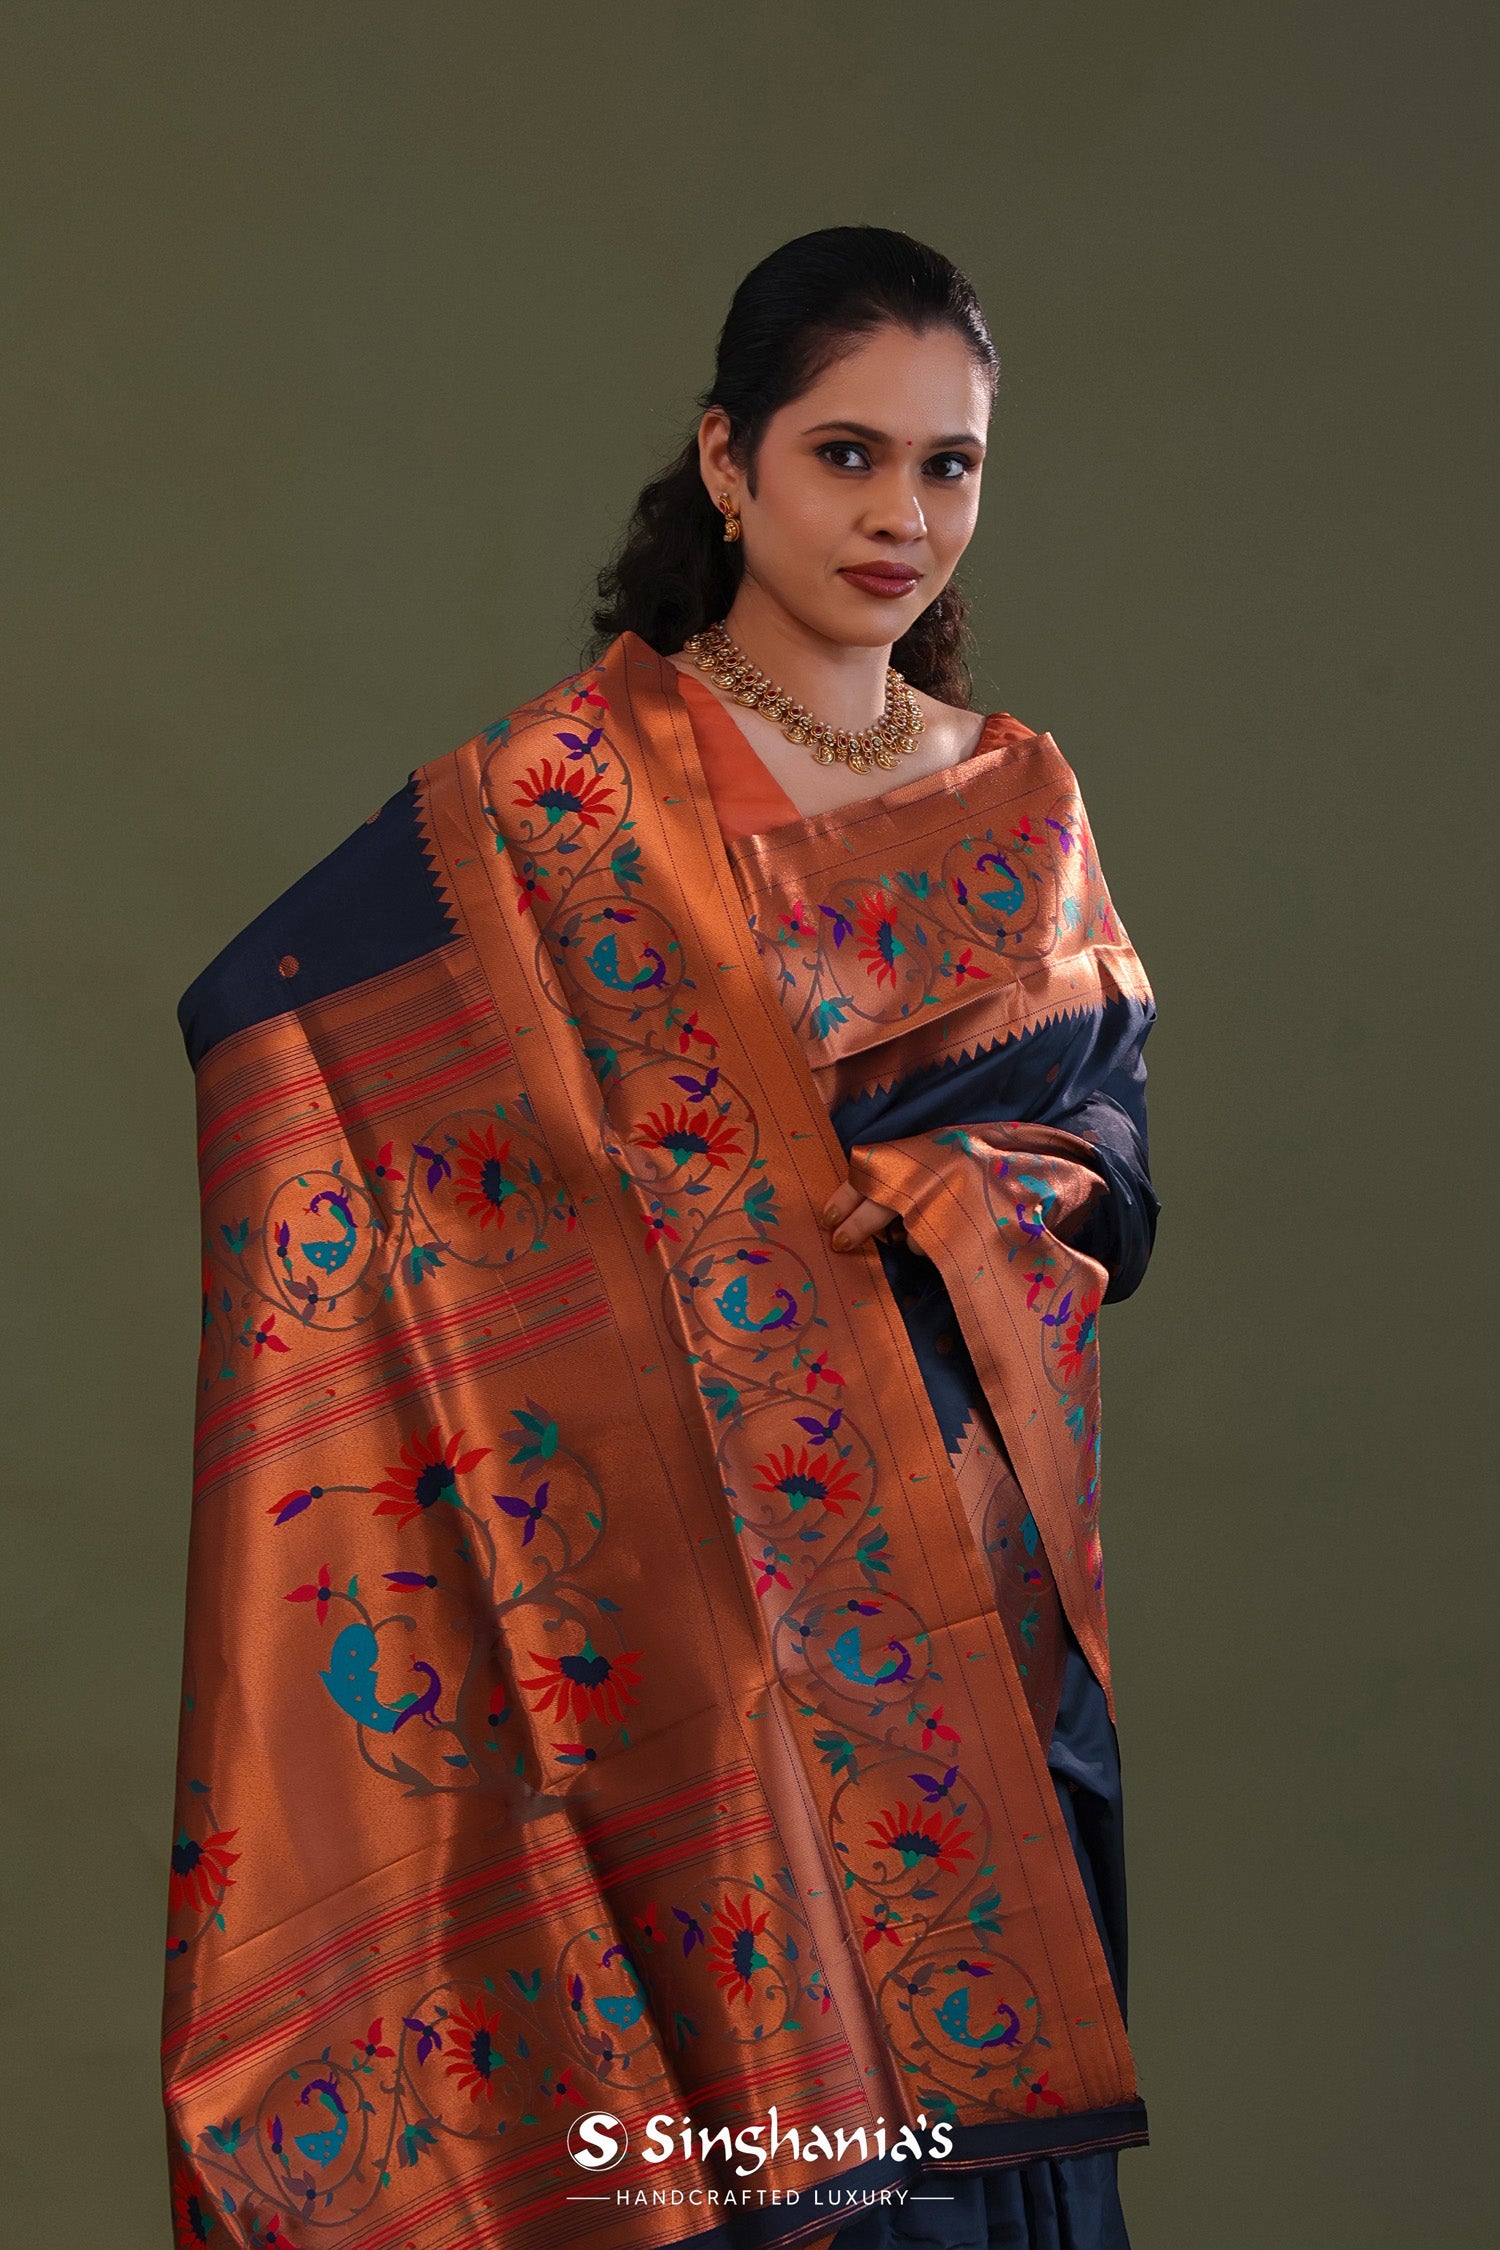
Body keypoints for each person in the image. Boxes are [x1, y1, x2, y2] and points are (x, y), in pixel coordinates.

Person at [164, 228, 1159, 2250]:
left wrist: (959, 1199)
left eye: (948, 466)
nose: (899, 517)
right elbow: (311, 1059)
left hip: (956, 1594)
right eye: (846, 455)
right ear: (729, 460)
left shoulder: (1021, 805)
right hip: (666, 1593)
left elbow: (1105, 1157)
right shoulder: (554, 803)